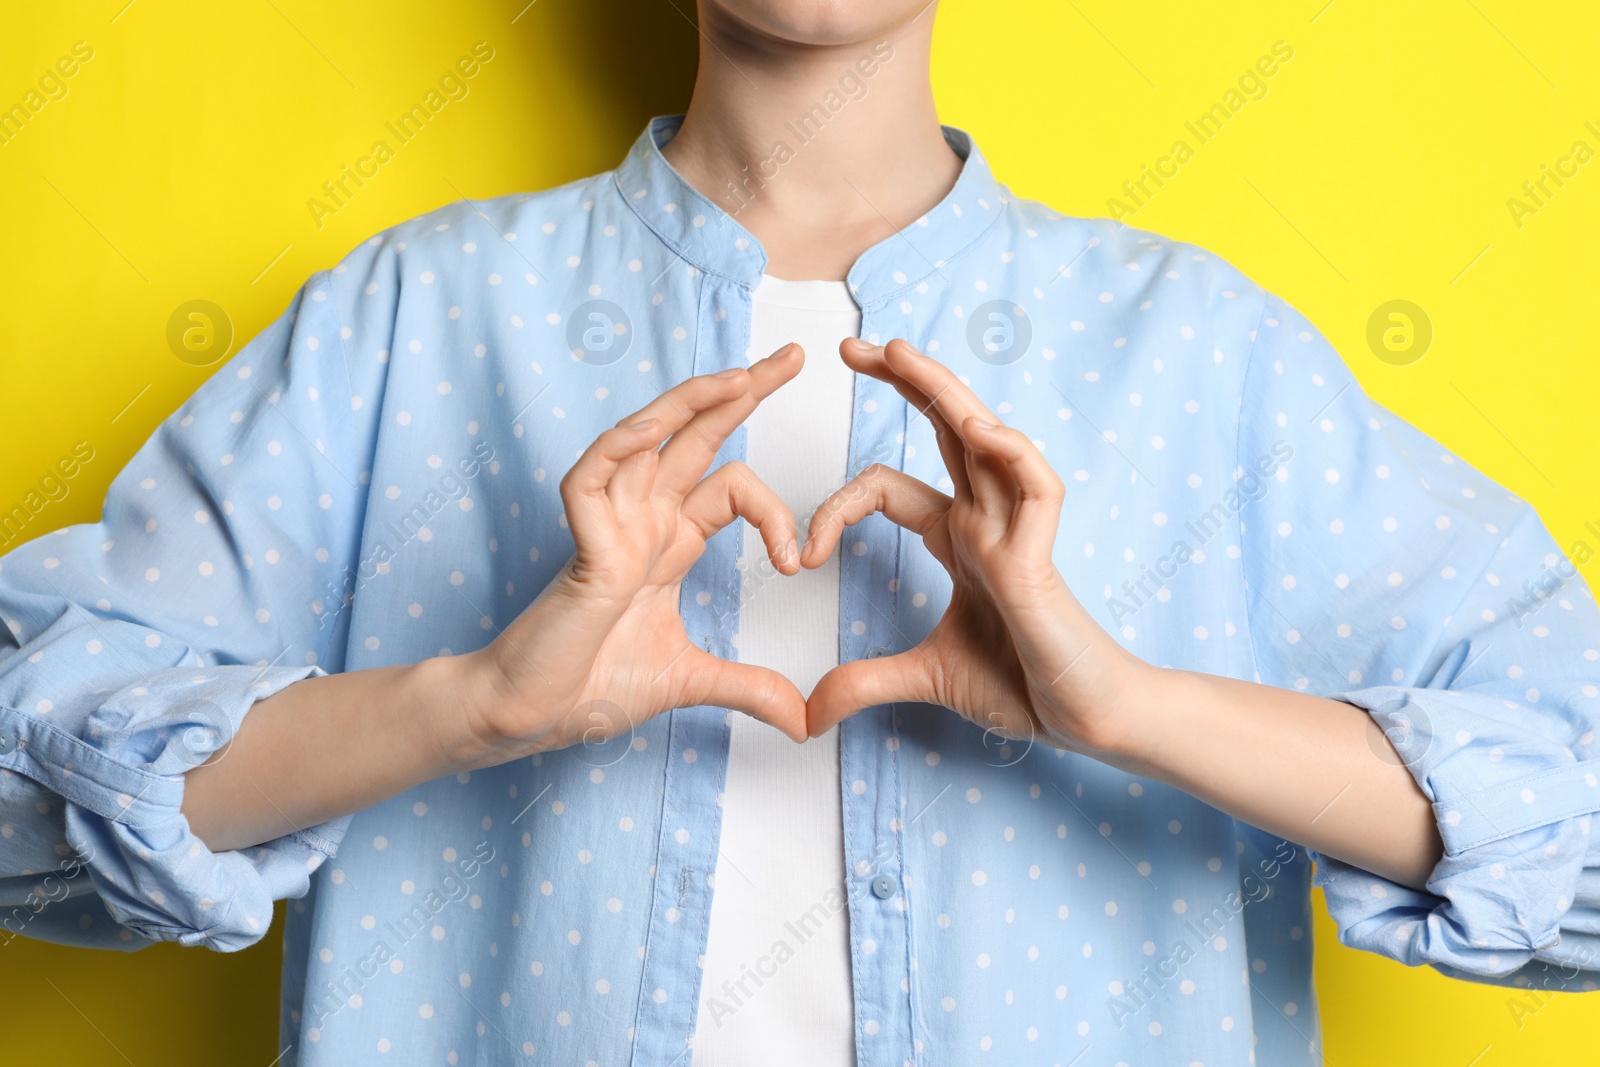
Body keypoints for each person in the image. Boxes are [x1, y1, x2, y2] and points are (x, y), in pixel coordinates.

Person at [2, 1, 1597, 1064]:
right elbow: (17, 803)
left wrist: (1128, 707)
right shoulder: (418, 319)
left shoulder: (1200, 357)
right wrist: (470, 704)